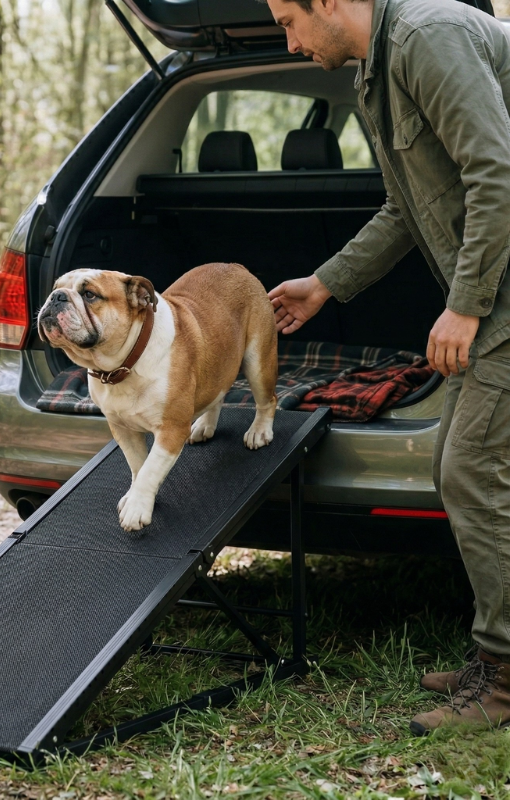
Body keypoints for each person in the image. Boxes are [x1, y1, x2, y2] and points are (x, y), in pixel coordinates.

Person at [263, 0, 510, 734]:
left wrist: (464, 305)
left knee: (470, 468)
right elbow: (407, 208)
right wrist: (325, 283)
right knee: (456, 462)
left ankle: (504, 683)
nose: (290, 40)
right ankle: (493, 656)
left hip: (498, 289)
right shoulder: (374, 73)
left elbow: (497, 174)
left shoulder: (429, 38)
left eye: (288, 21)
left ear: (332, 1)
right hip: (496, 286)